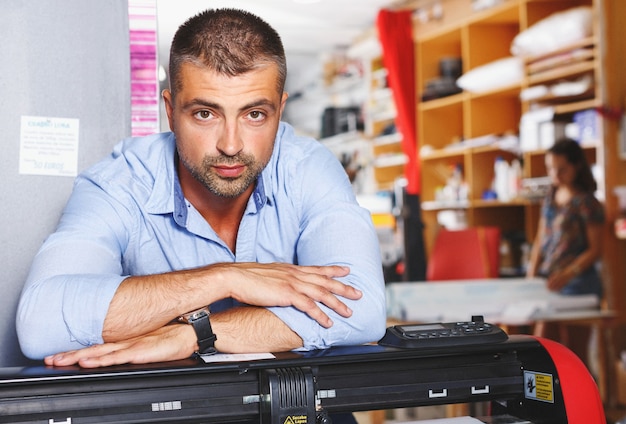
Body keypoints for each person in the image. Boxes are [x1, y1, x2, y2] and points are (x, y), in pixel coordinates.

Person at [16, 8, 386, 372]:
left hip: (295, 402)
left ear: (279, 110)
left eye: (254, 114)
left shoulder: (307, 167)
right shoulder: (119, 184)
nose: (230, 144)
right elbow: (41, 323)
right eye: (205, 114)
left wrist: (195, 334)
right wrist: (225, 276)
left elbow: (363, 310)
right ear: (171, 111)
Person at [526, 137, 605, 364]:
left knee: (576, 356)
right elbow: (541, 237)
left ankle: (584, 398)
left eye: (562, 169)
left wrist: (568, 274)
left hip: (578, 282)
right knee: (540, 349)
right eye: (551, 169)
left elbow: (595, 250)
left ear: (576, 166)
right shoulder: (551, 197)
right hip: (549, 280)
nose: (556, 175)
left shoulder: (587, 202)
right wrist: (532, 272)